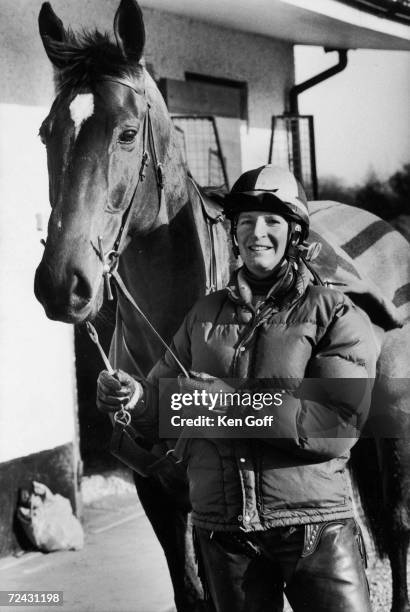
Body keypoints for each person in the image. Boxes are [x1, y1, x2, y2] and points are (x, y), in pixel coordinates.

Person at [97, 165, 377, 612]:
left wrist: (226, 404)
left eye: (271, 221)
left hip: (312, 531)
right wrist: (134, 398)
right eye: (245, 222)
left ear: (295, 233)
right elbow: (164, 410)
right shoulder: (202, 316)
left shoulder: (335, 315)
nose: (256, 233)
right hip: (226, 537)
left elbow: (334, 422)